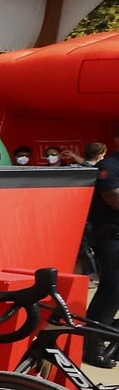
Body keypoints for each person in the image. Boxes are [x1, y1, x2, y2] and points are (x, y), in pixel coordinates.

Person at [86, 143, 119, 367]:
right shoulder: (110, 165)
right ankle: (91, 343)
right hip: (112, 238)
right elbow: (114, 196)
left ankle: (111, 340)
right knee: (112, 287)